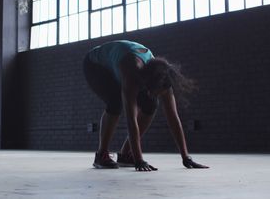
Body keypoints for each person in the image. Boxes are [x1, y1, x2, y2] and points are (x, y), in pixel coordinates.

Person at [83, 40, 208, 171]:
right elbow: (131, 119)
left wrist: (186, 157)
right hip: (96, 65)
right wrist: (139, 160)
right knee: (115, 103)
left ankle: (125, 154)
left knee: (151, 104)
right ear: (150, 85)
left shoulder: (165, 77)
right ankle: (101, 155)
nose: (160, 94)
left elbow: (173, 117)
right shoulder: (131, 71)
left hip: (123, 61)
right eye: (157, 92)